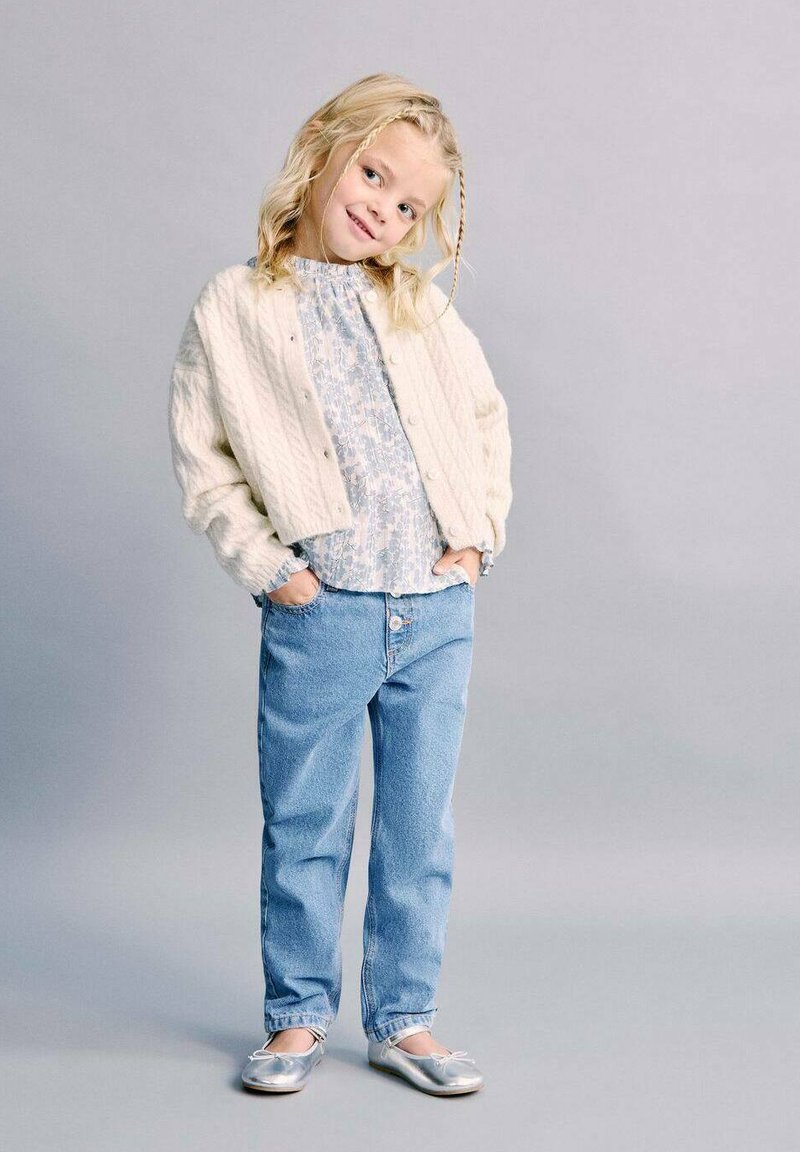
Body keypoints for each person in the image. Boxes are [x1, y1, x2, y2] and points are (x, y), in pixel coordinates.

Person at [167, 72, 513, 1096]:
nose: (383, 211)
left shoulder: (415, 308)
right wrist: (272, 571)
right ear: (322, 146)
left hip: (434, 610)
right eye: (372, 176)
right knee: (305, 824)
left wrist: (476, 541)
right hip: (323, 612)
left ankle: (404, 1017)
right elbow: (205, 462)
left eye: (408, 206)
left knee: (417, 828)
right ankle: (296, 1017)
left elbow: (484, 420)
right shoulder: (235, 306)